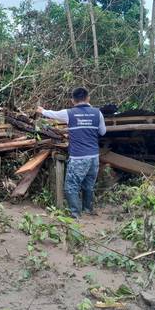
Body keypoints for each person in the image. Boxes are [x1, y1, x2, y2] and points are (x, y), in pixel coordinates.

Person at [36, 87, 106, 219]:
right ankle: (87, 210)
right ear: (88, 98)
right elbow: (103, 132)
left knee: (71, 186)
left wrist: (42, 110)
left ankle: (75, 214)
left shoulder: (69, 113)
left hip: (78, 157)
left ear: (73, 100)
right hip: (94, 157)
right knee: (88, 185)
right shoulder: (98, 113)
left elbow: (53, 114)